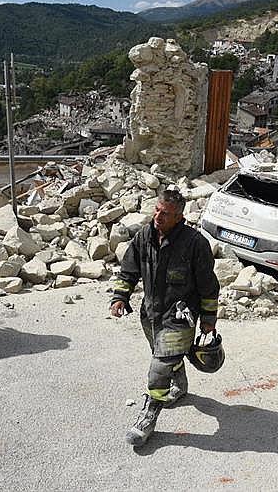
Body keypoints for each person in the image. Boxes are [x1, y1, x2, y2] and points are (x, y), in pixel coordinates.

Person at [110, 189, 220, 446]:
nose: (158, 217)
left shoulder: (195, 243)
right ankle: (179, 386)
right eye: (157, 210)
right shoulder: (144, 236)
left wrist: (209, 318)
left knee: (159, 368)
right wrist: (120, 298)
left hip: (180, 318)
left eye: (166, 214)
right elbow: (129, 271)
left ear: (179, 217)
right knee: (165, 357)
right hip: (150, 315)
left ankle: (148, 416)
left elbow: (208, 285)